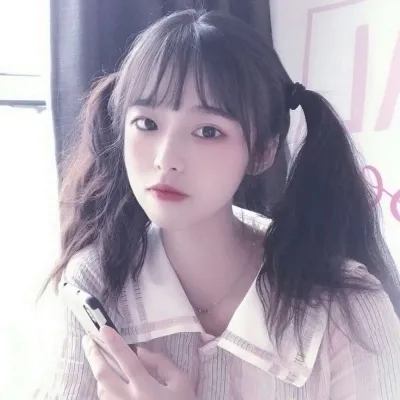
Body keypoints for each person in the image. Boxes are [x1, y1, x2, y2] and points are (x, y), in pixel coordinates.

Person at [37, 8, 400, 400]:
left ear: (263, 151)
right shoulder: (97, 280)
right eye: (146, 123)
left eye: (208, 131)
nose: (165, 159)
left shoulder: (347, 307)